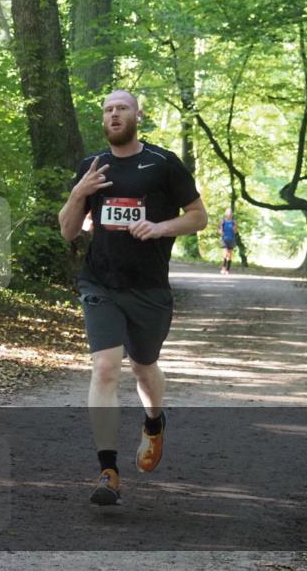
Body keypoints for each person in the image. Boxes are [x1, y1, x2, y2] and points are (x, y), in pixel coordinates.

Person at [59, 89, 207, 506]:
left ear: (137, 114)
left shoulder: (162, 163)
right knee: (105, 368)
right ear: (102, 119)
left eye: (121, 107)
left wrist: (160, 228)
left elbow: (199, 216)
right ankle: (108, 471)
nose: (114, 114)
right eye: (107, 109)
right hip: (100, 283)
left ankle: (155, 421)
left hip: (150, 288)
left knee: (144, 368)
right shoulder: (91, 166)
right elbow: (69, 230)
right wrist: (77, 194)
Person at [219, 208, 238, 274]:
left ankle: (228, 269)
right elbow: (219, 229)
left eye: (230, 212)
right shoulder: (222, 221)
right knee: (225, 254)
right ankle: (223, 268)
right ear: (225, 213)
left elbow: (235, 232)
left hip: (231, 239)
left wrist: (235, 227)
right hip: (224, 239)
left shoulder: (233, 222)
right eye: (228, 212)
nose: (229, 214)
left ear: (232, 214)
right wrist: (221, 232)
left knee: (229, 255)